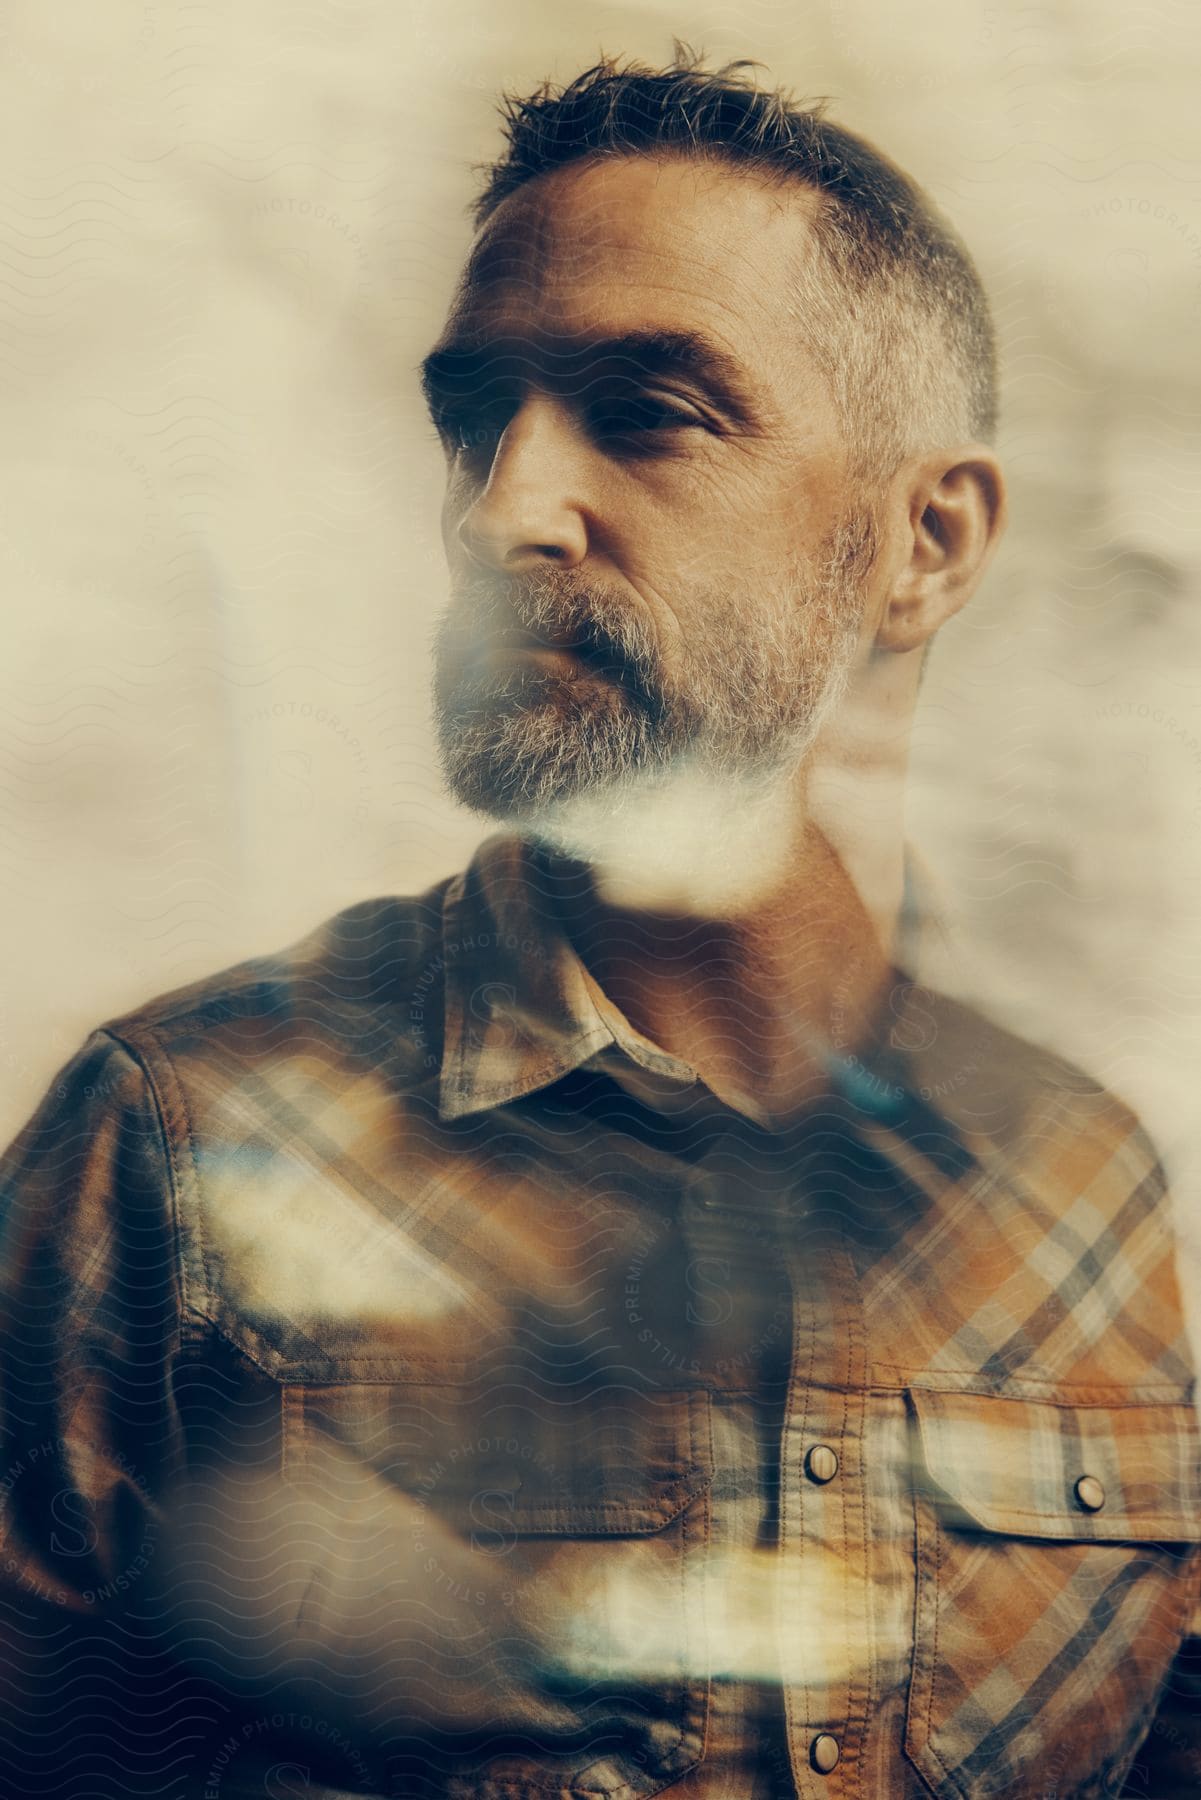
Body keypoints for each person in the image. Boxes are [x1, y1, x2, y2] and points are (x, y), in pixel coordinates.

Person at [1, 50, 1198, 1800]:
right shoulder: (179, 1146)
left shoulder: (1091, 1193)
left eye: (648, 410)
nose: (500, 510)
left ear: (922, 545)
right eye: (474, 416)